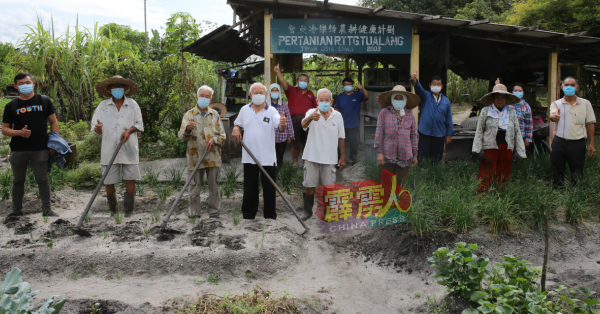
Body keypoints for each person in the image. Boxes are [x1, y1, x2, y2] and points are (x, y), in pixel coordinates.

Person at [2, 73, 60, 218]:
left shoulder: (44, 101)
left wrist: (54, 143)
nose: (25, 85)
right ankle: (16, 211)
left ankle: (47, 210)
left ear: (33, 83)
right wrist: (18, 133)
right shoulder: (11, 106)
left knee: (42, 179)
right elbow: (5, 129)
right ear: (15, 86)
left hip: (40, 148)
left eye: (27, 82)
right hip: (18, 150)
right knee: (18, 181)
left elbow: (53, 122)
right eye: (21, 83)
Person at [232, 82, 287, 220]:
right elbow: (238, 124)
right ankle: (248, 214)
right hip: (249, 156)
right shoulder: (244, 110)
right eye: (255, 93)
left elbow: (279, 126)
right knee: (250, 187)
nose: (258, 95)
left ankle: (269, 215)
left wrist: (282, 123)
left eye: (261, 93)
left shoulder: (272, 111)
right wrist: (236, 129)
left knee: (269, 187)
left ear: (266, 95)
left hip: (267, 157)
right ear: (250, 95)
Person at [91, 75, 144, 216]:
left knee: (130, 178)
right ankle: (113, 211)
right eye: (113, 87)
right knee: (108, 180)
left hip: (129, 148)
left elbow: (139, 124)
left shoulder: (133, 104)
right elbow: (96, 127)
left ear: (125, 88)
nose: (116, 90)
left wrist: (129, 131)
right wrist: (98, 129)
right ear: (109, 90)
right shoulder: (103, 106)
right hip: (109, 148)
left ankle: (128, 211)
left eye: (119, 87)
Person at [178, 85, 227, 218]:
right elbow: (181, 136)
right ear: (197, 97)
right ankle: (194, 214)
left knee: (214, 187)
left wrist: (214, 140)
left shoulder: (215, 115)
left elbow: (223, 136)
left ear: (211, 99)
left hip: (213, 157)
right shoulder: (189, 115)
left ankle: (214, 212)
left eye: (207, 96)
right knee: (194, 187)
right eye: (202, 96)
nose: (204, 99)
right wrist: (187, 129)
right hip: (195, 157)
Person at [299, 88, 346, 221]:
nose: (324, 102)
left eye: (327, 100)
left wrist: (342, 157)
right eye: (321, 100)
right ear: (317, 101)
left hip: (329, 157)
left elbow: (341, 137)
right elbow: (303, 125)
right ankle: (307, 211)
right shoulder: (311, 112)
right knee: (309, 185)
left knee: (328, 187)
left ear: (331, 101)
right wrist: (310, 118)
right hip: (311, 155)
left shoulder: (338, 116)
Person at [472, 84, 526, 194]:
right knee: (485, 174)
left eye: (503, 97)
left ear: (506, 99)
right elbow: (479, 131)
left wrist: (519, 150)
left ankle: (501, 196)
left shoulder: (511, 112)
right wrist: (477, 149)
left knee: (504, 174)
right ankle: (482, 197)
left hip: (507, 147)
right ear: (493, 99)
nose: (500, 100)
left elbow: (517, 132)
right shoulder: (485, 111)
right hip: (489, 147)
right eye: (497, 97)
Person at [549, 77, 596, 188]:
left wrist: (592, 144)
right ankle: (558, 192)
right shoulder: (556, 104)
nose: (569, 87)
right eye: (566, 85)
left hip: (577, 143)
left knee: (577, 170)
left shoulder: (585, 104)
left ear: (577, 88)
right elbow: (552, 115)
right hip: (559, 142)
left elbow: (590, 124)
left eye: (572, 85)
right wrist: (554, 117)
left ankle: (576, 194)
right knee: (557, 169)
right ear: (562, 87)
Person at [374, 85, 420, 187]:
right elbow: (379, 133)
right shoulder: (384, 113)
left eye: (401, 98)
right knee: (385, 183)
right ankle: (385, 202)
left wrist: (415, 154)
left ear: (405, 100)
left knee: (400, 184)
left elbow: (413, 135)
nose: (398, 100)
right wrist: (380, 152)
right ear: (391, 99)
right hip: (387, 155)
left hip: (404, 155)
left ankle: (397, 202)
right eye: (396, 98)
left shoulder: (410, 114)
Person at [274, 64, 317, 165]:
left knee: (307, 143)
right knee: (295, 144)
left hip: (308, 121)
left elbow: (317, 107)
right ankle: (295, 163)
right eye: (301, 80)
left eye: (305, 80)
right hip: (294, 120)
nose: (303, 81)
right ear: (297, 82)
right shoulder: (292, 90)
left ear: (308, 82)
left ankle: (305, 163)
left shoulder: (311, 94)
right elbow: (283, 83)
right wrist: (278, 72)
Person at [410, 71, 453, 163]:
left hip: (439, 134)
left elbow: (449, 118)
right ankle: (423, 176)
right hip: (424, 133)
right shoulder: (425, 96)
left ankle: (434, 176)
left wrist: (449, 134)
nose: (436, 86)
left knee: (436, 159)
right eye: (434, 84)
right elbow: (418, 89)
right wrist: (414, 81)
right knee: (422, 158)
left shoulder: (446, 101)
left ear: (442, 86)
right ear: (429, 85)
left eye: (438, 84)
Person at [333, 77, 369, 164]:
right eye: (345, 85)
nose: (347, 86)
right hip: (341, 124)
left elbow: (367, 97)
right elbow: (336, 110)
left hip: (354, 123)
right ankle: (339, 159)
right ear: (343, 85)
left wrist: (362, 88)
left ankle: (353, 158)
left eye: (349, 85)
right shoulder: (340, 97)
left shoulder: (358, 94)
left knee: (353, 142)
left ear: (352, 85)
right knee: (340, 142)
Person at [268, 83, 294, 167]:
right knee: (269, 157)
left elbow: (289, 120)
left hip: (281, 136)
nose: (274, 92)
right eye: (273, 90)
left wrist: (290, 135)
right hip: (268, 136)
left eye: (276, 90)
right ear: (269, 92)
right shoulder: (265, 105)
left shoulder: (283, 104)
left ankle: (279, 174)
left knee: (279, 157)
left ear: (279, 92)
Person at [510, 83, 533, 147]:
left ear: (523, 93)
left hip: (520, 136)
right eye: (515, 90)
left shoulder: (526, 106)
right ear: (512, 92)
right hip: (507, 135)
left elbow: (529, 123)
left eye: (520, 91)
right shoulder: (507, 105)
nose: (517, 92)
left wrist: (528, 138)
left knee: (517, 155)